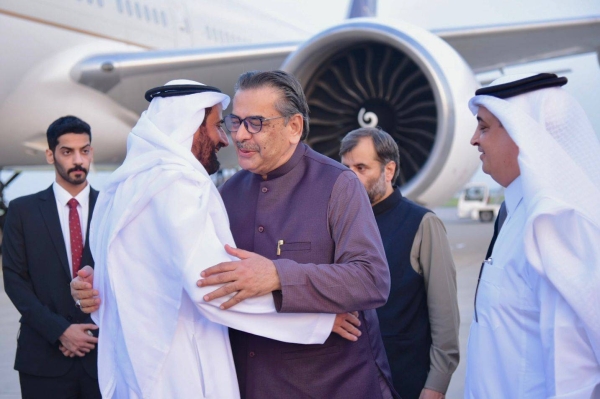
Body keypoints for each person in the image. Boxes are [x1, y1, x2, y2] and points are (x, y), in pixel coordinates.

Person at [72, 79, 360, 399]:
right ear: (191, 127)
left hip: (138, 369)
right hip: (178, 368)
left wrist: (91, 287)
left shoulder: (121, 187)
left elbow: (113, 284)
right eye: (217, 126)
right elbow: (211, 287)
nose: (227, 139)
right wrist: (316, 322)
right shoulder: (177, 184)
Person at [197, 70, 399, 398]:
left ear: (294, 127)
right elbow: (208, 281)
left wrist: (278, 276)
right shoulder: (225, 194)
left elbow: (372, 280)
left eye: (256, 123)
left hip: (325, 384)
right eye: (236, 121)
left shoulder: (338, 185)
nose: (241, 135)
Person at [465, 73, 600, 398]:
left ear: (523, 131)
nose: (474, 139)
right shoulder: (516, 213)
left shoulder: (555, 223)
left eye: (484, 127)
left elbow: (573, 378)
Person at [340, 127, 460, 399]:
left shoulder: (422, 224)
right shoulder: (338, 223)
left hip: (405, 383)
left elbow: (445, 319)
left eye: (361, 168)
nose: (351, 178)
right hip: (348, 381)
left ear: (389, 170)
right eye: (346, 168)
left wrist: (436, 386)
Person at [2, 116, 101, 398]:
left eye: (85, 150)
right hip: (43, 357)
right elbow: (14, 281)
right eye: (67, 152)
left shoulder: (112, 207)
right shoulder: (22, 211)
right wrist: (60, 330)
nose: (78, 159)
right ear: (50, 154)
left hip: (102, 356)